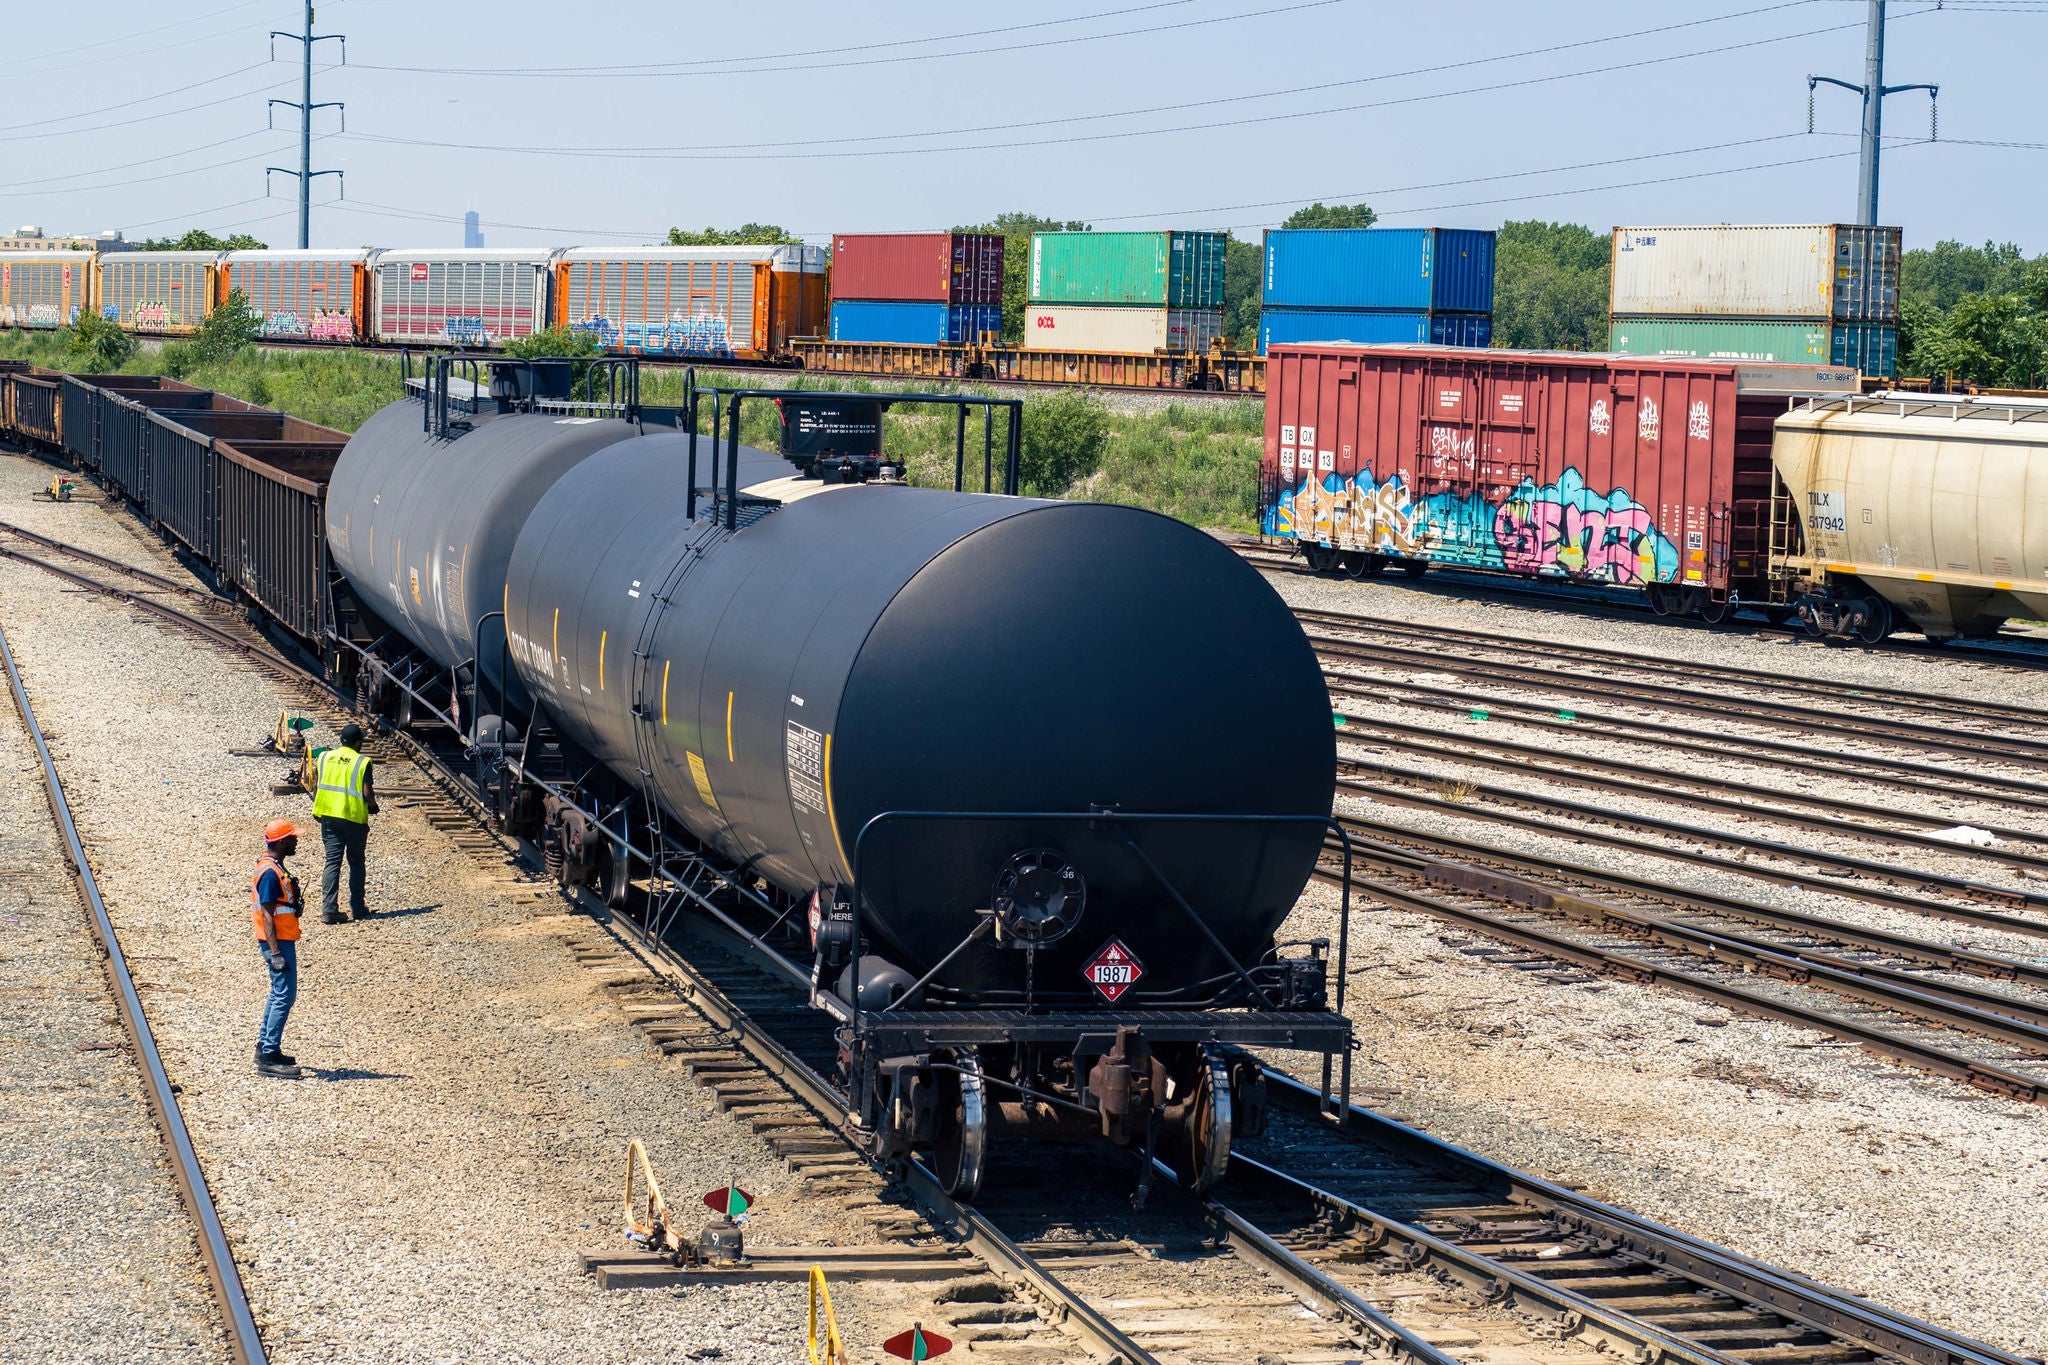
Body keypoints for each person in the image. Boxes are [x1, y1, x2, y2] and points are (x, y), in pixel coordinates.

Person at [253, 818, 306, 1079]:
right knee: (285, 994)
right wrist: (275, 953)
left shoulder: (273, 867)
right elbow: (266, 914)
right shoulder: (269, 873)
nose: (296, 841)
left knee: (278, 992)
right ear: (282, 842)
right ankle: (269, 1056)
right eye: (293, 837)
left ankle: (265, 1047)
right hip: (277, 943)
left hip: (282, 939)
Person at [311, 722, 377, 923]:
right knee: (356, 861)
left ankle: (329, 910)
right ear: (358, 743)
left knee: (332, 862)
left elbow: (315, 782)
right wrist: (373, 806)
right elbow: (367, 791)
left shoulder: (325, 757)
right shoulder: (362, 762)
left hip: (329, 817)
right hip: (354, 819)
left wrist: (318, 804)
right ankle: (358, 908)